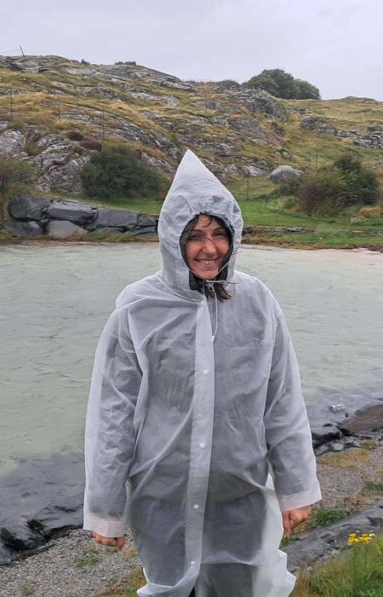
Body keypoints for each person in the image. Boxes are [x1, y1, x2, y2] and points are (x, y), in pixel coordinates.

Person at [84, 149, 322, 597]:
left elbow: (282, 398)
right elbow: (113, 411)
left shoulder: (257, 301)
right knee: (171, 588)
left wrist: (296, 488)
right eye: (194, 235)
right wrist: (106, 508)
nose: (209, 249)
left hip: (241, 492)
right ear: (171, 238)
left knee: (243, 587)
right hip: (163, 495)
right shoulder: (138, 307)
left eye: (219, 234)